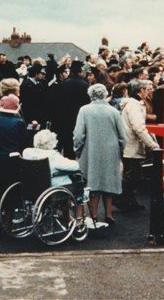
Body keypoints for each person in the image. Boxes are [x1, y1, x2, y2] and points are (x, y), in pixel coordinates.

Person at [73, 84, 126, 225]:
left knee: (93, 184)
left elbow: (78, 135)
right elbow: (122, 136)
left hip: (90, 150)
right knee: (108, 183)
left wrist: (77, 150)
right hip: (111, 150)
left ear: (90, 95)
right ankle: (109, 214)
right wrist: (121, 150)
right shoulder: (113, 111)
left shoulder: (84, 110)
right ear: (105, 94)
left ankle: (94, 215)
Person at [0, 94, 27, 233]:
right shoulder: (19, 123)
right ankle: (8, 223)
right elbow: (24, 144)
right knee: (11, 193)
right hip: (11, 162)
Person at [117, 79, 160, 211]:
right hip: (132, 145)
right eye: (147, 89)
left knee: (133, 175)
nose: (149, 91)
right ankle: (118, 198)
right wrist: (153, 145)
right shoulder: (135, 106)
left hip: (129, 144)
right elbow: (139, 128)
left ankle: (129, 201)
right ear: (140, 91)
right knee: (133, 175)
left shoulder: (132, 104)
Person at [57, 60, 89, 158]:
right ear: (80, 71)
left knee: (68, 142)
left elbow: (60, 102)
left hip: (66, 117)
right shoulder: (85, 85)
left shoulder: (64, 84)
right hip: (80, 116)